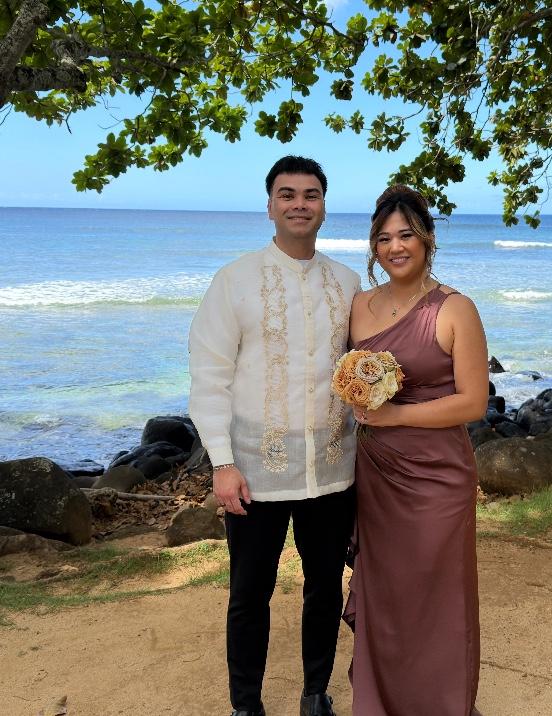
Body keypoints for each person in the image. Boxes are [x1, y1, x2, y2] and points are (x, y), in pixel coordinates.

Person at [188, 156, 361, 716]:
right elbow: (209, 376)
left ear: (324, 207)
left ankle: (315, 695)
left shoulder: (347, 283)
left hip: (332, 470)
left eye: (311, 195)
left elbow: (359, 371)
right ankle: (246, 705)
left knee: (324, 587)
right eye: (287, 194)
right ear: (269, 206)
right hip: (254, 472)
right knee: (248, 594)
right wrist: (221, 463)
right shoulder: (234, 280)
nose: (299, 204)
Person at [343, 185, 489, 715]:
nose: (395, 247)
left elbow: (473, 402)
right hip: (377, 473)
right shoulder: (359, 306)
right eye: (383, 238)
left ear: (426, 238)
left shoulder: (455, 308)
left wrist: (396, 415)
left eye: (405, 235)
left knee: (437, 593)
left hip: (437, 476)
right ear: (373, 247)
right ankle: (381, 704)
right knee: (387, 591)